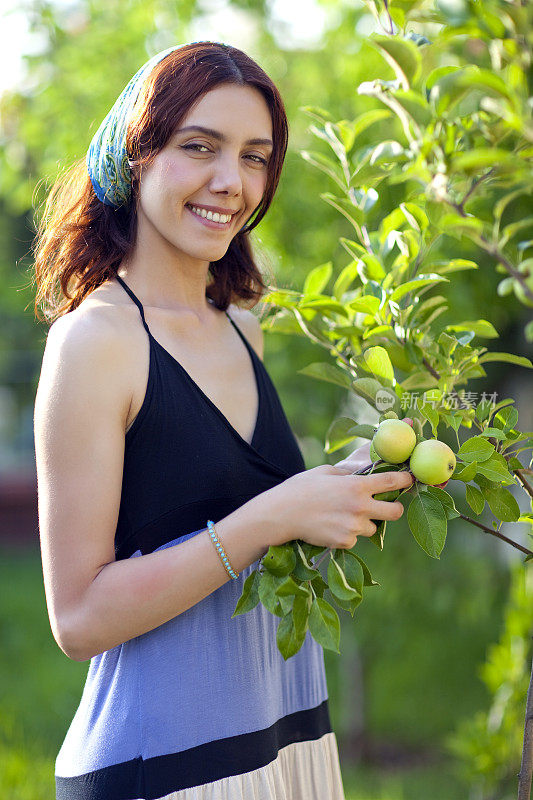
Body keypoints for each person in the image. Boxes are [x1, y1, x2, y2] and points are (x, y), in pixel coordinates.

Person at [32, 41, 413, 800]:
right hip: (169, 768)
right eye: (197, 147)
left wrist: (335, 493)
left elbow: (234, 511)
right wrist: (268, 517)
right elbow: (76, 618)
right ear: (134, 157)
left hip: (287, 741)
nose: (229, 182)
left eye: (254, 156)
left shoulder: (242, 324)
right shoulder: (97, 341)